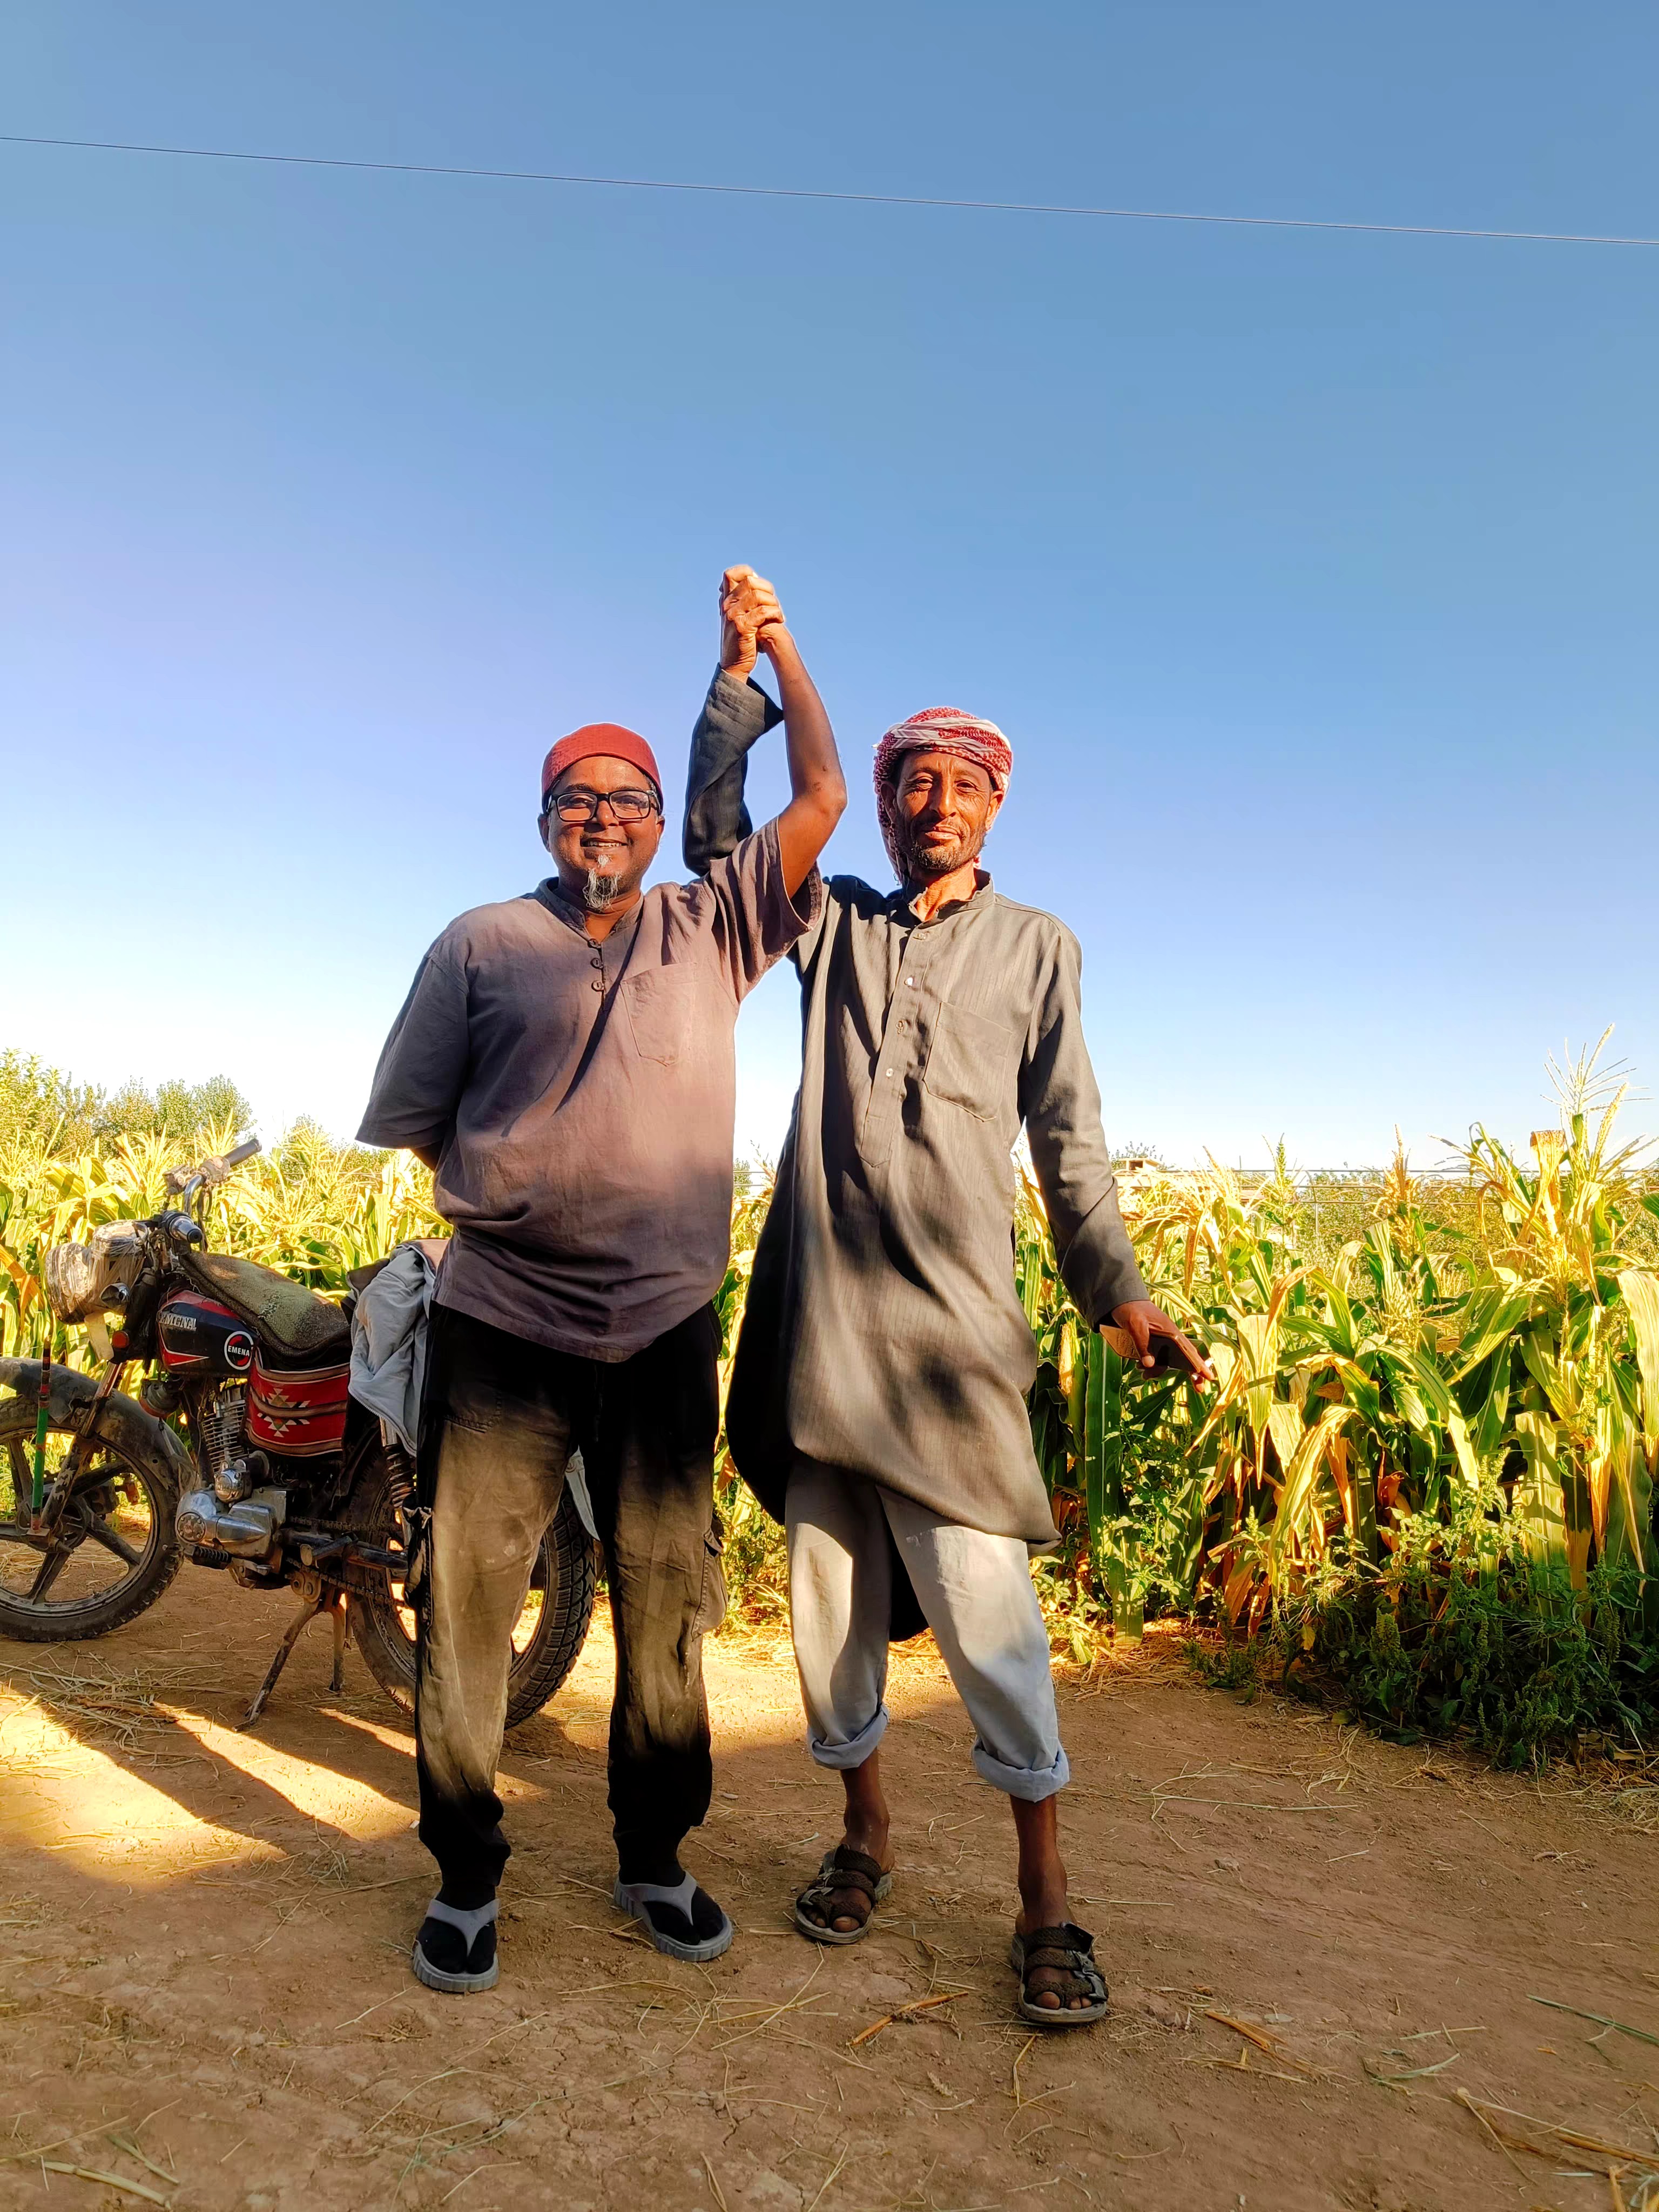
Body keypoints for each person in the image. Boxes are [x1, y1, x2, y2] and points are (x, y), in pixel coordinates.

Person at [684, 699, 1212, 2027]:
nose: (935, 803)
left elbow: (1071, 1145)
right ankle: (865, 1831)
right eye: (911, 784)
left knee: (989, 1620)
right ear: (883, 805)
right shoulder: (836, 926)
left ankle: (1045, 1888)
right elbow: (720, 846)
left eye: (959, 785)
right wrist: (737, 695)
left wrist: (1120, 1294)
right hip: (821, 1330)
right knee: (827, 1618)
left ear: (993, 805)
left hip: (956, 1344)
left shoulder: (1040, 950)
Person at [358, 567, 845, 1993]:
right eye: (579, 802)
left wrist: (774, 652)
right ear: (546, 823)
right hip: (503, 1328)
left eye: (631, 804)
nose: (606, 822)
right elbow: (418, 1115)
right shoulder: (480, 945)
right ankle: (462, 1875)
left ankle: (653, 1856)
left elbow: (814, 791)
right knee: (465, 1600)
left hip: (662, 1337)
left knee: (666, 1601)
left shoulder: (719, 926)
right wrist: (525, 1188)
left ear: (656, 826)